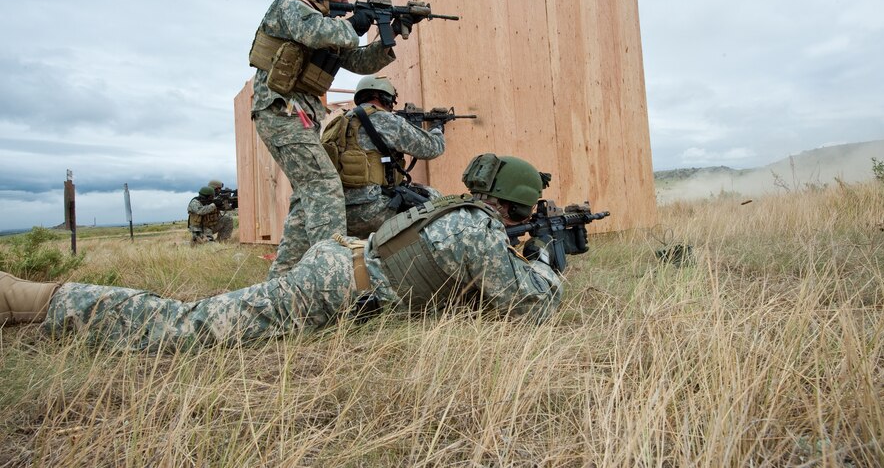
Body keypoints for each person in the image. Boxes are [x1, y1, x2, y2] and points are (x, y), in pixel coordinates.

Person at [0, 155, 563, 351]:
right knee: (186, 326)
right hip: (332, 287)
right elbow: (529, 305)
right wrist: (547, 259)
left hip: (338, 263)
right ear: (517, 206)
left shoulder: (455, 211)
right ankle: (28, 299)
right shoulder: (480, 232)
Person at [249, 0, 414, 278]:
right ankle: (330, 277)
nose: (346, 1)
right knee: (324, 185)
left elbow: (361, 63)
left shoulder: (330, 26)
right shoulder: (291, 7)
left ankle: (283, 278)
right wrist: (354, 23)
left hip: (299, 115)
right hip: (280, 109)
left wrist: (389, 33)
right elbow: (315, 33)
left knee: (308, 194)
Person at [321, 74, 445, 242]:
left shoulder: (339, 123)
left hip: (337, 213)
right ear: (385, 97)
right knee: (436, 200)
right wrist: (437, 127)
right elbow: (432, 148)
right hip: (370, 212)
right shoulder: (385, 120)